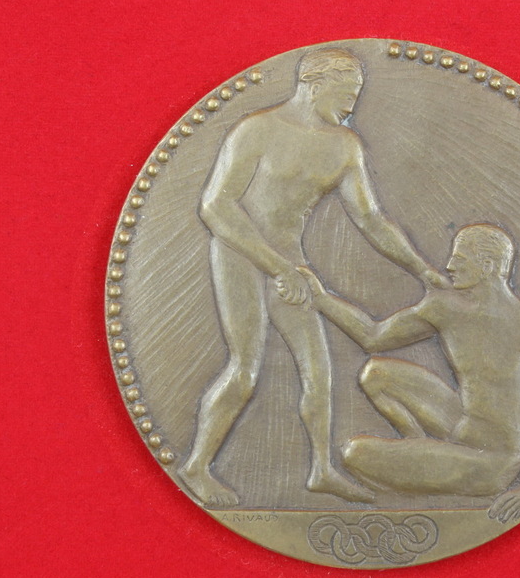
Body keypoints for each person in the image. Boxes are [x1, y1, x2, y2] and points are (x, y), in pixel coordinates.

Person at [179, 46, 444, 508]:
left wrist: (422, 269)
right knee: (245, 369)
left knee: (318, 372)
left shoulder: (344, 146)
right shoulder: (257, 130)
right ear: (314, 84)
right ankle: (197, 466)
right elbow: (216, 207)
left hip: (292, 263)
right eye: (347, 92)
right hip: (241, 254)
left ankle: (321, 470)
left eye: (357, 94)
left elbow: (371, 220)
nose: (353, 104)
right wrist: (277, 267)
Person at [299, 224, 520, 523]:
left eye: (460, 259)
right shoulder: (445, 309)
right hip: (459, 422)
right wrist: (321, 298)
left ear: (487, 266)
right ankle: (417, 444)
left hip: (489, 461)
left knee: (354, 454)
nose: (449, 266)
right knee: (376, 373)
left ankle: (419, 466)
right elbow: (372, 336)